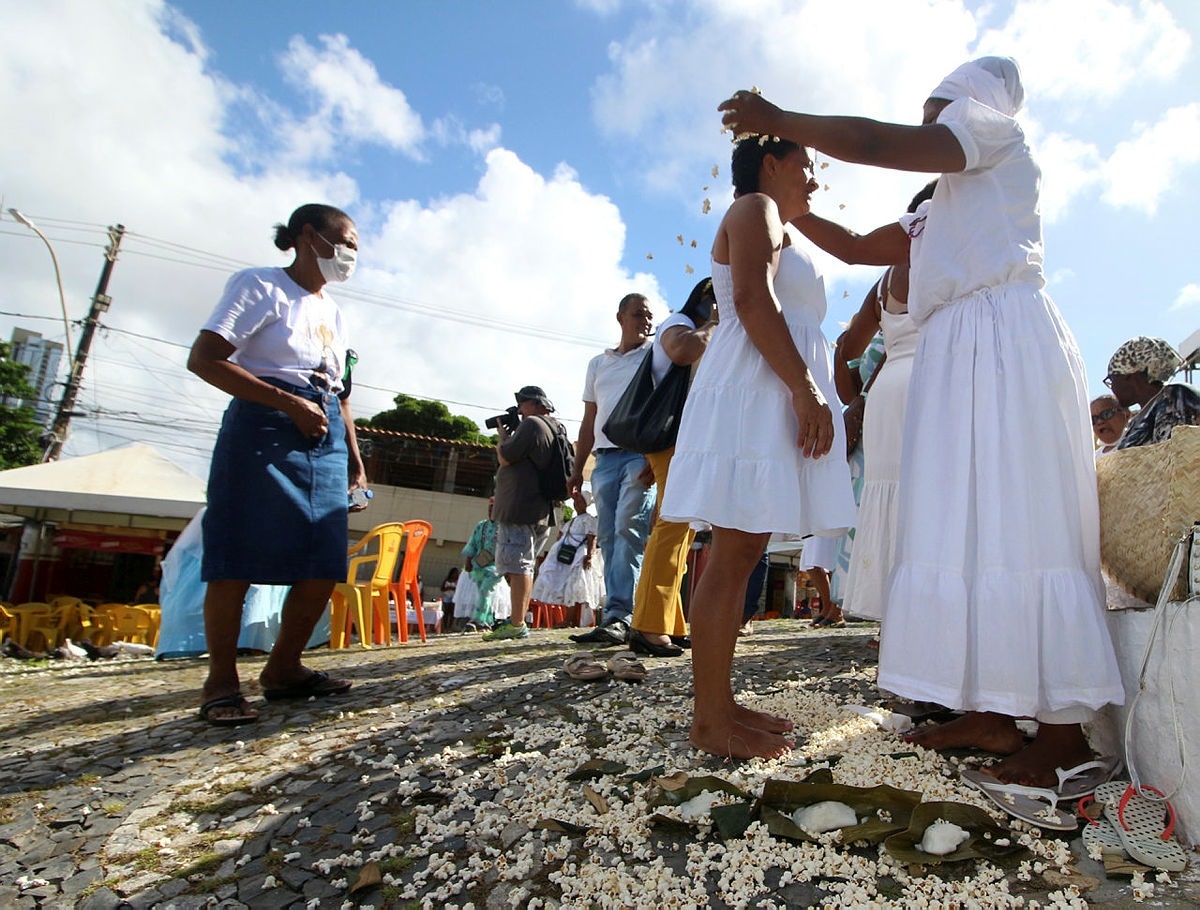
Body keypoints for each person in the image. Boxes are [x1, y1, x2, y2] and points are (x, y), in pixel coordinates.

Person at [718, 56, 1125, 785]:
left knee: (1021, 518)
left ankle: (1063, 731)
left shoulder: (994, 133)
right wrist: (790, 199)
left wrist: (780, 122)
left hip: (1006, 341)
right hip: (962, 357)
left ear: (973, 98)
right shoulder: (935, 214)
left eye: (939, 105)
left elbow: (877, 144)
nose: (931, 120)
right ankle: (993, 710)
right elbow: (848, 246)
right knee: (964, 527)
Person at [659, 136, 856, 759]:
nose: (814, 181)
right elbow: (749, 298)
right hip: (756, 390)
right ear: (771, 163)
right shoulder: (755, 209)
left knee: (741, 554)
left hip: (766, 389)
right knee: (733, 554)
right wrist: (804, 388)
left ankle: (718, 704)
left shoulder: (780, 223)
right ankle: (710, 724)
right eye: (807, 167)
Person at [187, 203, 367, 726]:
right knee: (237, 551)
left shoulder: (334, 311)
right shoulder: (260, 286)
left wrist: (354, 457)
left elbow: (342, 393)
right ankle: (221, 681)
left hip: (325, 428)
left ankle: (284, 668)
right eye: (347, 240)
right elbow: (206, 358)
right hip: (264, 425)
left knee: (323, 557)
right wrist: (287, 404)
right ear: (309, 236)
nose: (353, 254)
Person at [832, 183, 935, 622]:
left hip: (888, 395)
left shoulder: (885, 280)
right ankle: (928, 619)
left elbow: (846, 349)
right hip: (937, 384)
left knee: (889, 501)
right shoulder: (955, 256)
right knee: (933, 500)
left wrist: (856, 396)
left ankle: (894, 625)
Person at [627, 277, 718, 658]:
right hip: (673, 440)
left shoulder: (695, 324)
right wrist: (714, 323)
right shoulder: (678, 322)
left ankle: (670, 621)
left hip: (684, 442)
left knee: (680, 530)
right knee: (672, 527)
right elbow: (681, 351)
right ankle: (648, 625)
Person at [568, 295, 658, 647]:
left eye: (650, 315)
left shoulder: (656, 356)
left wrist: (655, 455)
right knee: (607, 536)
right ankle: (614, 617)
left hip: (639, 454)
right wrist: (577, 470)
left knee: (629, 530)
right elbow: (589, 421)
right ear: (620, 317)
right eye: (639, 314)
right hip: (604, 460)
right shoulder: (597, 364)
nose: (646, 320)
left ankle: (623, 615)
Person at [481, 386, 563, 641]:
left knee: (518, 567)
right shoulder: (556, 427)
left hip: (519, 507)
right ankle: (518, 619)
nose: (518, 410)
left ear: (536, 403)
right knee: (524, 566)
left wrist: (502, 436)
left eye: (522, 404)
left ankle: (516, 623)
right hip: (541, 508)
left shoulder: (532, 425)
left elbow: (505, 457)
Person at [1106, 336, 1200, 449]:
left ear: (1130, 376)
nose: (1112, 387)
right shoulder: (1136, 421)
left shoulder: (1175, 397)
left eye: (1112, 380)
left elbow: (1175, 454)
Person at [531, 491, 604, 627]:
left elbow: (591, 538)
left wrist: (589, 556)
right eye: (576, 502)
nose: (577, 504)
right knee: (561, 584)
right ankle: (565, 618)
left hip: (578, 556)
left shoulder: (589, 520)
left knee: (575, 585)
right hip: (564, 557)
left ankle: (569, 619)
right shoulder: (572, 521)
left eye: (580, 502)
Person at [458, 500, 505, 632]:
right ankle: (486, 622)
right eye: (490, 509)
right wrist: (468, 561)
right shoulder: (481, 526)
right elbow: (472, 543)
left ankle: (476, 620)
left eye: (494, 509)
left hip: (496, 567)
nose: (491, 511)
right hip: (479, 566)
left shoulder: (505, 527)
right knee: (483, 594)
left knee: (485, 590)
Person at [439, 567, 460, 634]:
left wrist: (453, 588)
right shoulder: (447, 580)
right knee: (446, 612)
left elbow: (459, 590)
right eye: (454, 573)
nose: (455, 575)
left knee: (452, 613)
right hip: (447, 597)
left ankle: (450, 627)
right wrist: (448, 588)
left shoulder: (458, 581)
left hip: (454, 598)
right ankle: (445, 627)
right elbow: (442, 589)